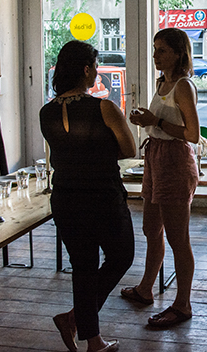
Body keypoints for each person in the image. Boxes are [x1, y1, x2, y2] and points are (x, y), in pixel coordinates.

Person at [41, 40, 136, 352]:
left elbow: (66, 151)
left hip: (66, 199)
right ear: (85, 69)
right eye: (95, 66)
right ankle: (76, 321)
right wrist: (101, 150)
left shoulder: (46, 113)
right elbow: (129, 149)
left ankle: (91, 338)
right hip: (102, 197)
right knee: (121, 257)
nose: (97, 72)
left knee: (83, 267)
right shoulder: (104, 108)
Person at [122, 27, 200, 328]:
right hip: (155, 158)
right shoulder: (162, 82)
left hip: (175, 162)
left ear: (179, 54)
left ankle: (182, 304)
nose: (155, 55)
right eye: (155, 49)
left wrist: (155, 121)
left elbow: (192, 134)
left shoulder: (183, 86)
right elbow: (162, 122)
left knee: (178, 238)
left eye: (162, 50)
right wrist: (148, 120)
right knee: (151, 228)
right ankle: (145, 289)